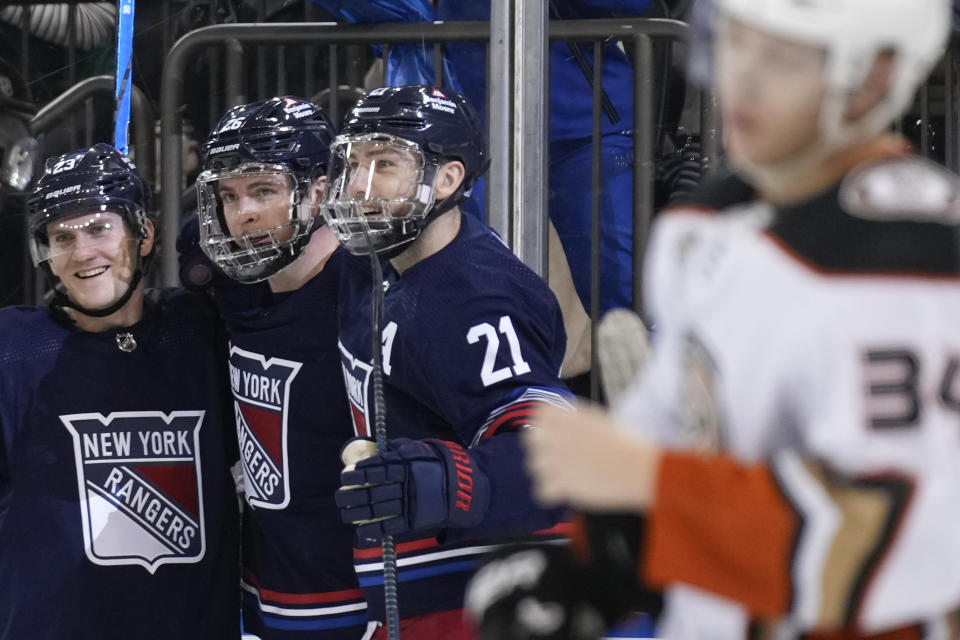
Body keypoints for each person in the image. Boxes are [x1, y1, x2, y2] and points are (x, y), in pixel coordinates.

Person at [465, 0, 960, 638]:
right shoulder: (703, 226)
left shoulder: (915, 263)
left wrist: (643, 475)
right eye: (734, 44)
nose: (741, 79)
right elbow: (686, 437)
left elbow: (895, 542)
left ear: (873, 79)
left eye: (781, 58)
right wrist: (596, 568)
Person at [323, 84, 574, 639]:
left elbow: (549, 447)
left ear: (447, 180)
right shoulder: (376, 256)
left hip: (475, 595)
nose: (360, 186)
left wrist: (452, 480)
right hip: (406, 590)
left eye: (385, 163)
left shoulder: (479, 299)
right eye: (354, 162)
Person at [0, 143, 240, 639]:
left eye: (99, 228)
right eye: (62, 236)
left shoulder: (202, 329)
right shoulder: (12, 350)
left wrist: (240, 279)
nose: (83, 252)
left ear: (144, 234)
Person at [185, 96, 374, 639]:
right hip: (264, 596)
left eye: (263, 191)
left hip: (357, 601)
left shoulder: (374, 298)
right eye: (229, 196)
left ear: (319, 190)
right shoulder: (234, 286)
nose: (242, 213)